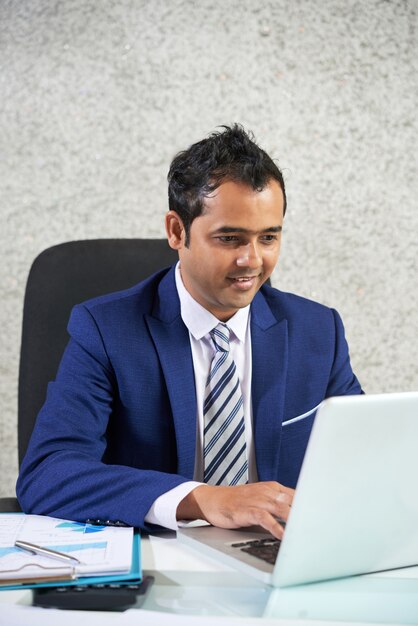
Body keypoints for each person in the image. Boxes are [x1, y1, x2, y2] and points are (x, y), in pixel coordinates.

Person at [16, 125, 363, 540]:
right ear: (177, 231)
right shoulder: (106, 330)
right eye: (230, 238)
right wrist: (201, 499)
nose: (251, 261)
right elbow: (48, 473)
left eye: (268, 237)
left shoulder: (318, 331)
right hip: (161, 559)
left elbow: (364, 457)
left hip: (277, 555)